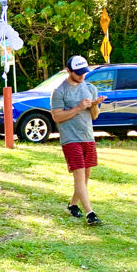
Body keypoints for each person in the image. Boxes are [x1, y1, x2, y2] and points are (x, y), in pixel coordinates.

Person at [50, 55, 106, 226]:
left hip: (87, 136)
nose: (82, 76)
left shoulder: (90, 88)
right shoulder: (60, 91)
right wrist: (78, 107)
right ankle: (90, 213)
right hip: (70, 138)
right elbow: (57, 117)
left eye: (84, 72)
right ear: (68, 71)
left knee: (86, 175)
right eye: (78, 73)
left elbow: (94, 116)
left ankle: (73, 205)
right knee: (79, 174)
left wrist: (94, 105)